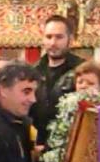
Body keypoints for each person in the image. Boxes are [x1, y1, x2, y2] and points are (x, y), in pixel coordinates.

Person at [31, 15, 84, 145]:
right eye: (48, 37)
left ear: (70, 40)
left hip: (71, 145)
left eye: (59, 37)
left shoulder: (82, 71)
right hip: (38, 146)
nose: (53, 43)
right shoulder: (33, 71)